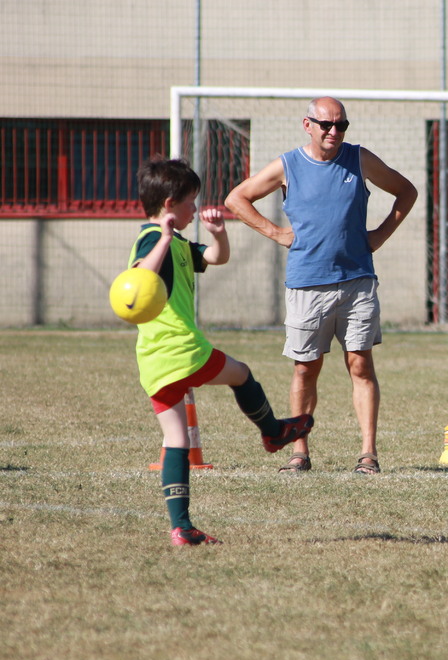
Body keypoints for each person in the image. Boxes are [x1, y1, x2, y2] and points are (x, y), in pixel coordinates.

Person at [225, 97, 417, 475]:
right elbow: (237, 199)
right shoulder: (287, 165)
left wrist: (380, 234)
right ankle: (299, 453)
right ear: (307, 124)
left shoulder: (360, 159)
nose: (334, 131)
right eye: (326, 124)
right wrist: (276, 232)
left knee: (360, 365)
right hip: (307, 284)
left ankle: (368, 455)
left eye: (341, 125)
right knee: (305, 369)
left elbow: (406, 191)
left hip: (357, 281)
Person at [129, 157, 314, 546]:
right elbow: (139, 277)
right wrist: (163, 238)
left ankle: (181, 527)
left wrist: (219, 235)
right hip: (181, 348)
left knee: (176, 441)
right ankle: (273, 433)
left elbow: (216, 257)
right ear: (169, 205)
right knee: (241, 374)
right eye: (190, 202)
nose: (195, 209)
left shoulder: (179, 243)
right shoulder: (153, 239)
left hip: (154, 358)